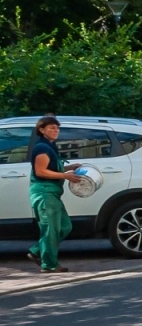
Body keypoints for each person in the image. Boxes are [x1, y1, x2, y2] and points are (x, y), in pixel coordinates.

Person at [28, 115, 86, 273]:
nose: (56, 130)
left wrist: (69, 168)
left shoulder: (51, 146)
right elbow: (41, 171)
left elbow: (51, 168)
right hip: (44, 193)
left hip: (53, 194)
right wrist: (65, 176)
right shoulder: (42, 148)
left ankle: (36, 250)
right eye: (52, 128)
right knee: (50, 229)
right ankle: (49, 265)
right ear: (42, 130)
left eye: (57, 128)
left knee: (65, 226)